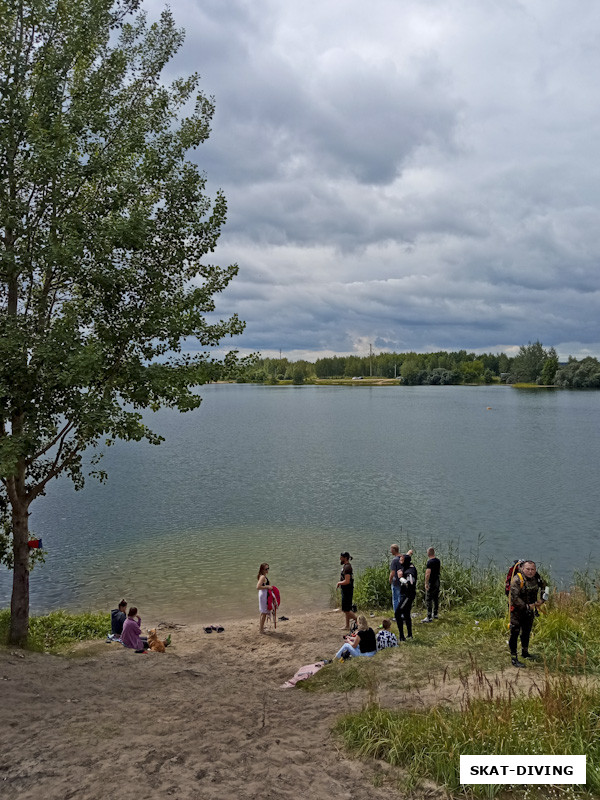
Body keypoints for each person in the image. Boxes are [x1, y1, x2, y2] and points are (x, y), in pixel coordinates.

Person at [509, 560, 546, 668]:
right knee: (515, 632)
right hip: (516, 611)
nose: (530, 572)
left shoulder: (537, 578)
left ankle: (525, 653)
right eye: (528, 569)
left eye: (532, 569)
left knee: (526, 631)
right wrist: (526, 606)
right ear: (522, 569)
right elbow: (514, 597)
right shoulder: (517, 580)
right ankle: (514, 658)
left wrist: (543, 600)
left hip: (530, 610)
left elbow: (545, 587)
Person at [394, 552, 417, 641]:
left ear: (405, 562)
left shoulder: (410, 572)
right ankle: (410, 635)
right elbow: (407, 558)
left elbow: (409, 583)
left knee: (397, 613)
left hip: (408, 595)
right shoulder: (407, 566)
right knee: (406, 614)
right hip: (405, 594)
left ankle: (402, 636)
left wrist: (400, 577)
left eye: (401, 560)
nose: (400, 561)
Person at [336, 552, 358, 630]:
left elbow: (347, 581)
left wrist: (339, 583)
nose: (340, 559)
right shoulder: (345, 566)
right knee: (346, 609)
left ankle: (357, 620)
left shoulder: (347, 568)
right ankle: (347, 625)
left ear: (345, 558)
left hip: (347, 591)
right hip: (345, 590)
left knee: (346, 610)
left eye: (341, 557)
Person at [422, 547, 441, 622]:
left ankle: (429, 616)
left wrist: (426, 583)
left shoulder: (430, 562)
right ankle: (435, 614)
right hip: (437, 580)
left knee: (428, 599)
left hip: (431, 582)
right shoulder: (438, 561)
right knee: (435, 598)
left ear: (428, 553)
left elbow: (427, 573)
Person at [257, 562, 276, 634]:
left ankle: (261, 627)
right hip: (263, 595)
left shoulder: (262, 576)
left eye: (268, 568)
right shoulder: (262, 577)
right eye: (266, 569)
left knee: (262, 612)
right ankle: (261, 630)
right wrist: (267, 587)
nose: (267, 570)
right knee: (264, 613)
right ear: (262, 569)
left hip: (263, 594)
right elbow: (258, 587)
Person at [389, 544, 402, 612]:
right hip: (402, 581)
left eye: (391, 550)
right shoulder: (402, 558)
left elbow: (393, 572)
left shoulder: (395, 560)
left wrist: (390, 579)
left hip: (396, 581)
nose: (390, 551)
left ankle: (397, 614)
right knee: (401, 598)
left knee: (395, 599)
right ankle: (402, 614)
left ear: (394, 550)